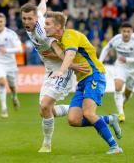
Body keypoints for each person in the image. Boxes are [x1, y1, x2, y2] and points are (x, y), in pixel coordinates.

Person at [44, 11, 123, 155]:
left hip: (94, 76)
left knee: (88, 113)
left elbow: (70, 54)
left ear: (58, 26)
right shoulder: (61, 41)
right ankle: (110, 119)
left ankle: (115, 146)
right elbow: (64, 54)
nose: (45, 27)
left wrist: (61, 71)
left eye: (48, 24)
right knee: (73, 119)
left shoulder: (70, 35)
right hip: (82, 81)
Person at [21, 0, 87, 153]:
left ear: (36, 19)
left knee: (45, 106)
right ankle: (77, 108)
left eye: (30, 18)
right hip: (50, 70)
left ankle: (47, 144)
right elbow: (42, 9)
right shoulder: (35, 20)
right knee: (45, 110)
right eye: (24, 18)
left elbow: (58, 51)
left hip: (61, 70)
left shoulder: (42, 32)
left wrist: (71, 67)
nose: (26, 21)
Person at [99, 22, 134, 122]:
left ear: (132, 32)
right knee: (118, 87)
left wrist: (128, 60)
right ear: (121, 31)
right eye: (124, 31)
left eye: (128, 31)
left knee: (128, 93)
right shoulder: (116, 39)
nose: (126, 33)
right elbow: (106, 48)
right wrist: (100, 62)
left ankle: (124, 103)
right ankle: (121, 114)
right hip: (121, 66)